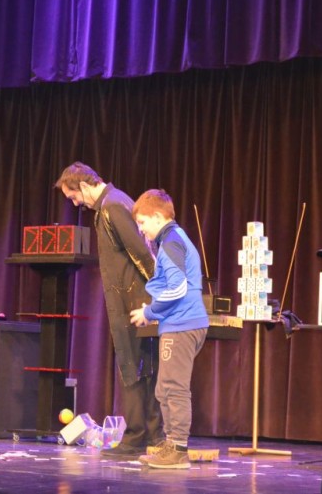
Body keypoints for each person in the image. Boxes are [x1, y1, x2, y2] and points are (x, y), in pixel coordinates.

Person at [55, 162, 164, 457]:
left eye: (74, 196)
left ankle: (138, 437)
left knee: (137, 367)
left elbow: (142, 253)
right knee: (140, 367)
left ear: (85, 185)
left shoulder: (113, 206)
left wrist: (160, 294)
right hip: (131, 300)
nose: (75, 203)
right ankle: (149, 435)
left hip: (136, 301)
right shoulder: (111, 204)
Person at [129, 189, 209, 469]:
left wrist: (149, 312)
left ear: (157, 216)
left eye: (142, 223)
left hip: (182, 324)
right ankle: (172, 444)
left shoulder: (172, 241)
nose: (141, 230)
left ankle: (178, 450)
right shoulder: (171, 240)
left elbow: (177, 288)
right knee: (165, 388)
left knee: (173, 388)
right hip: (178, 323)